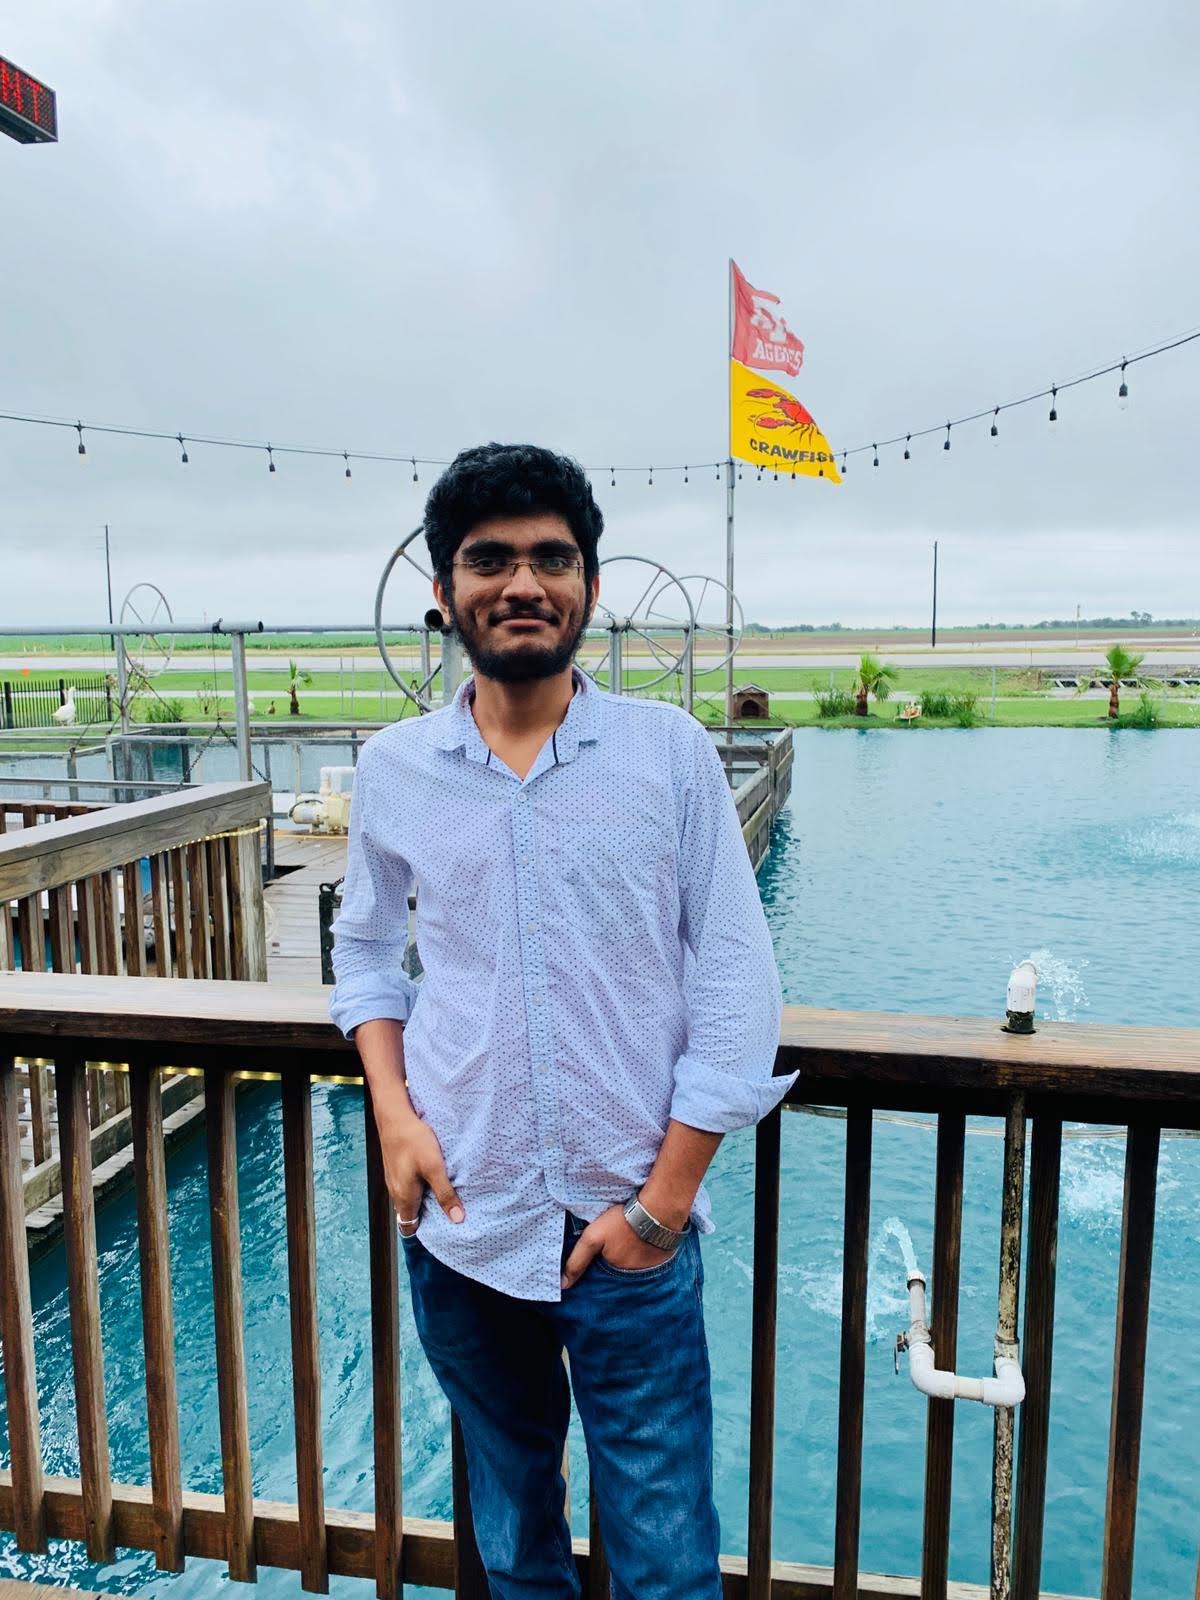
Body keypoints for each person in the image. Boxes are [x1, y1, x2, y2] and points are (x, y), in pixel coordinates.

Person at [330, 442, 793, 1598]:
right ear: (444, 589)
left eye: (553, 557)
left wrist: (665, 1200)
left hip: (631, 1223)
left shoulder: (667, 756)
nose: (523, 583)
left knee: (665, 1559)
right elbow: (366, 953)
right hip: (464, 1217)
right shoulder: (396, 768)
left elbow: (738, 977)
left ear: (590, 583)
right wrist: (394, 1115)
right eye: (490, 559)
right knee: (513, 1536)